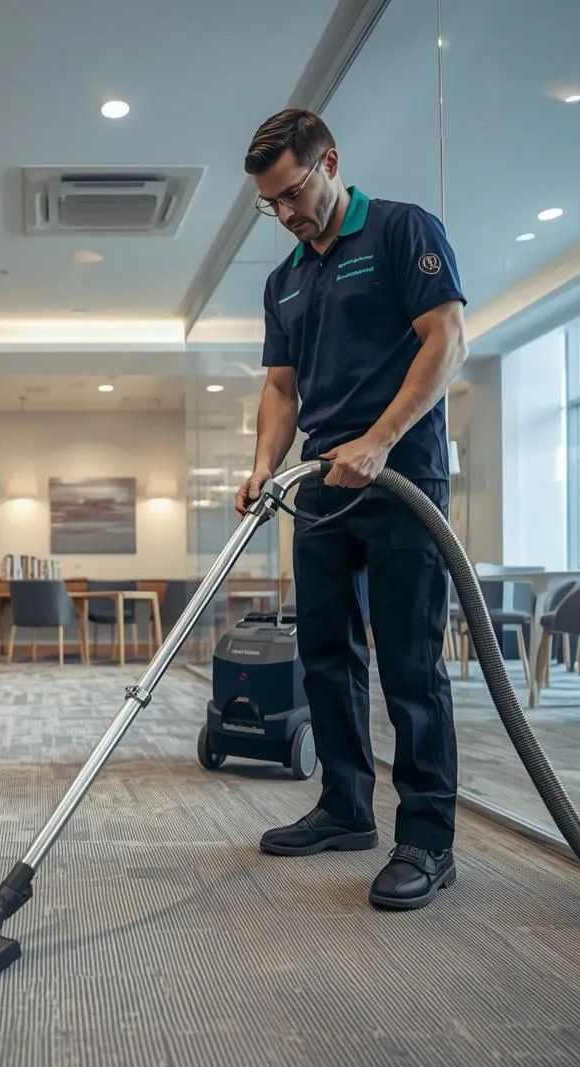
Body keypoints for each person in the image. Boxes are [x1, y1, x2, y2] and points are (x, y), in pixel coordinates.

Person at [235, 109, 469, 909]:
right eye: (274, 205)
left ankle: (428, 838)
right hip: (321, 486)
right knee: (326, 653)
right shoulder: (287, 279)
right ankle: (344, 807)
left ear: (330, 162)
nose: (289, 214)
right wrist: (265, 465)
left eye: (294, 193)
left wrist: (379, 438)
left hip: (403, 478)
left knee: (409, 660)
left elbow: (446, 338)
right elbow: (280, 388)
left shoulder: (404, 231)